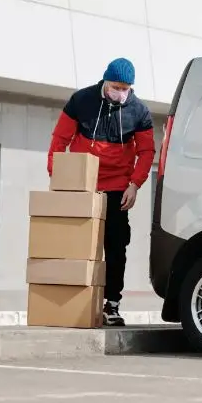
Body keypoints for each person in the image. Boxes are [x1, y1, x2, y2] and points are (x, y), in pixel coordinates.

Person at [47, 58, 155, 326]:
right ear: (106, 82)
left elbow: (146, 152)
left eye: (126, 88)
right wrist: (57, 174)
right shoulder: (80, 101)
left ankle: (112, 305)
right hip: (83, 183)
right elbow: (60, 139)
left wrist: (135, 184)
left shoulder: (139, 111)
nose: (121, 92)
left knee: (117, 246)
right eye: (116, 87)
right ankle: (70, 301)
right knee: (76, 244)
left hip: (118, 186)